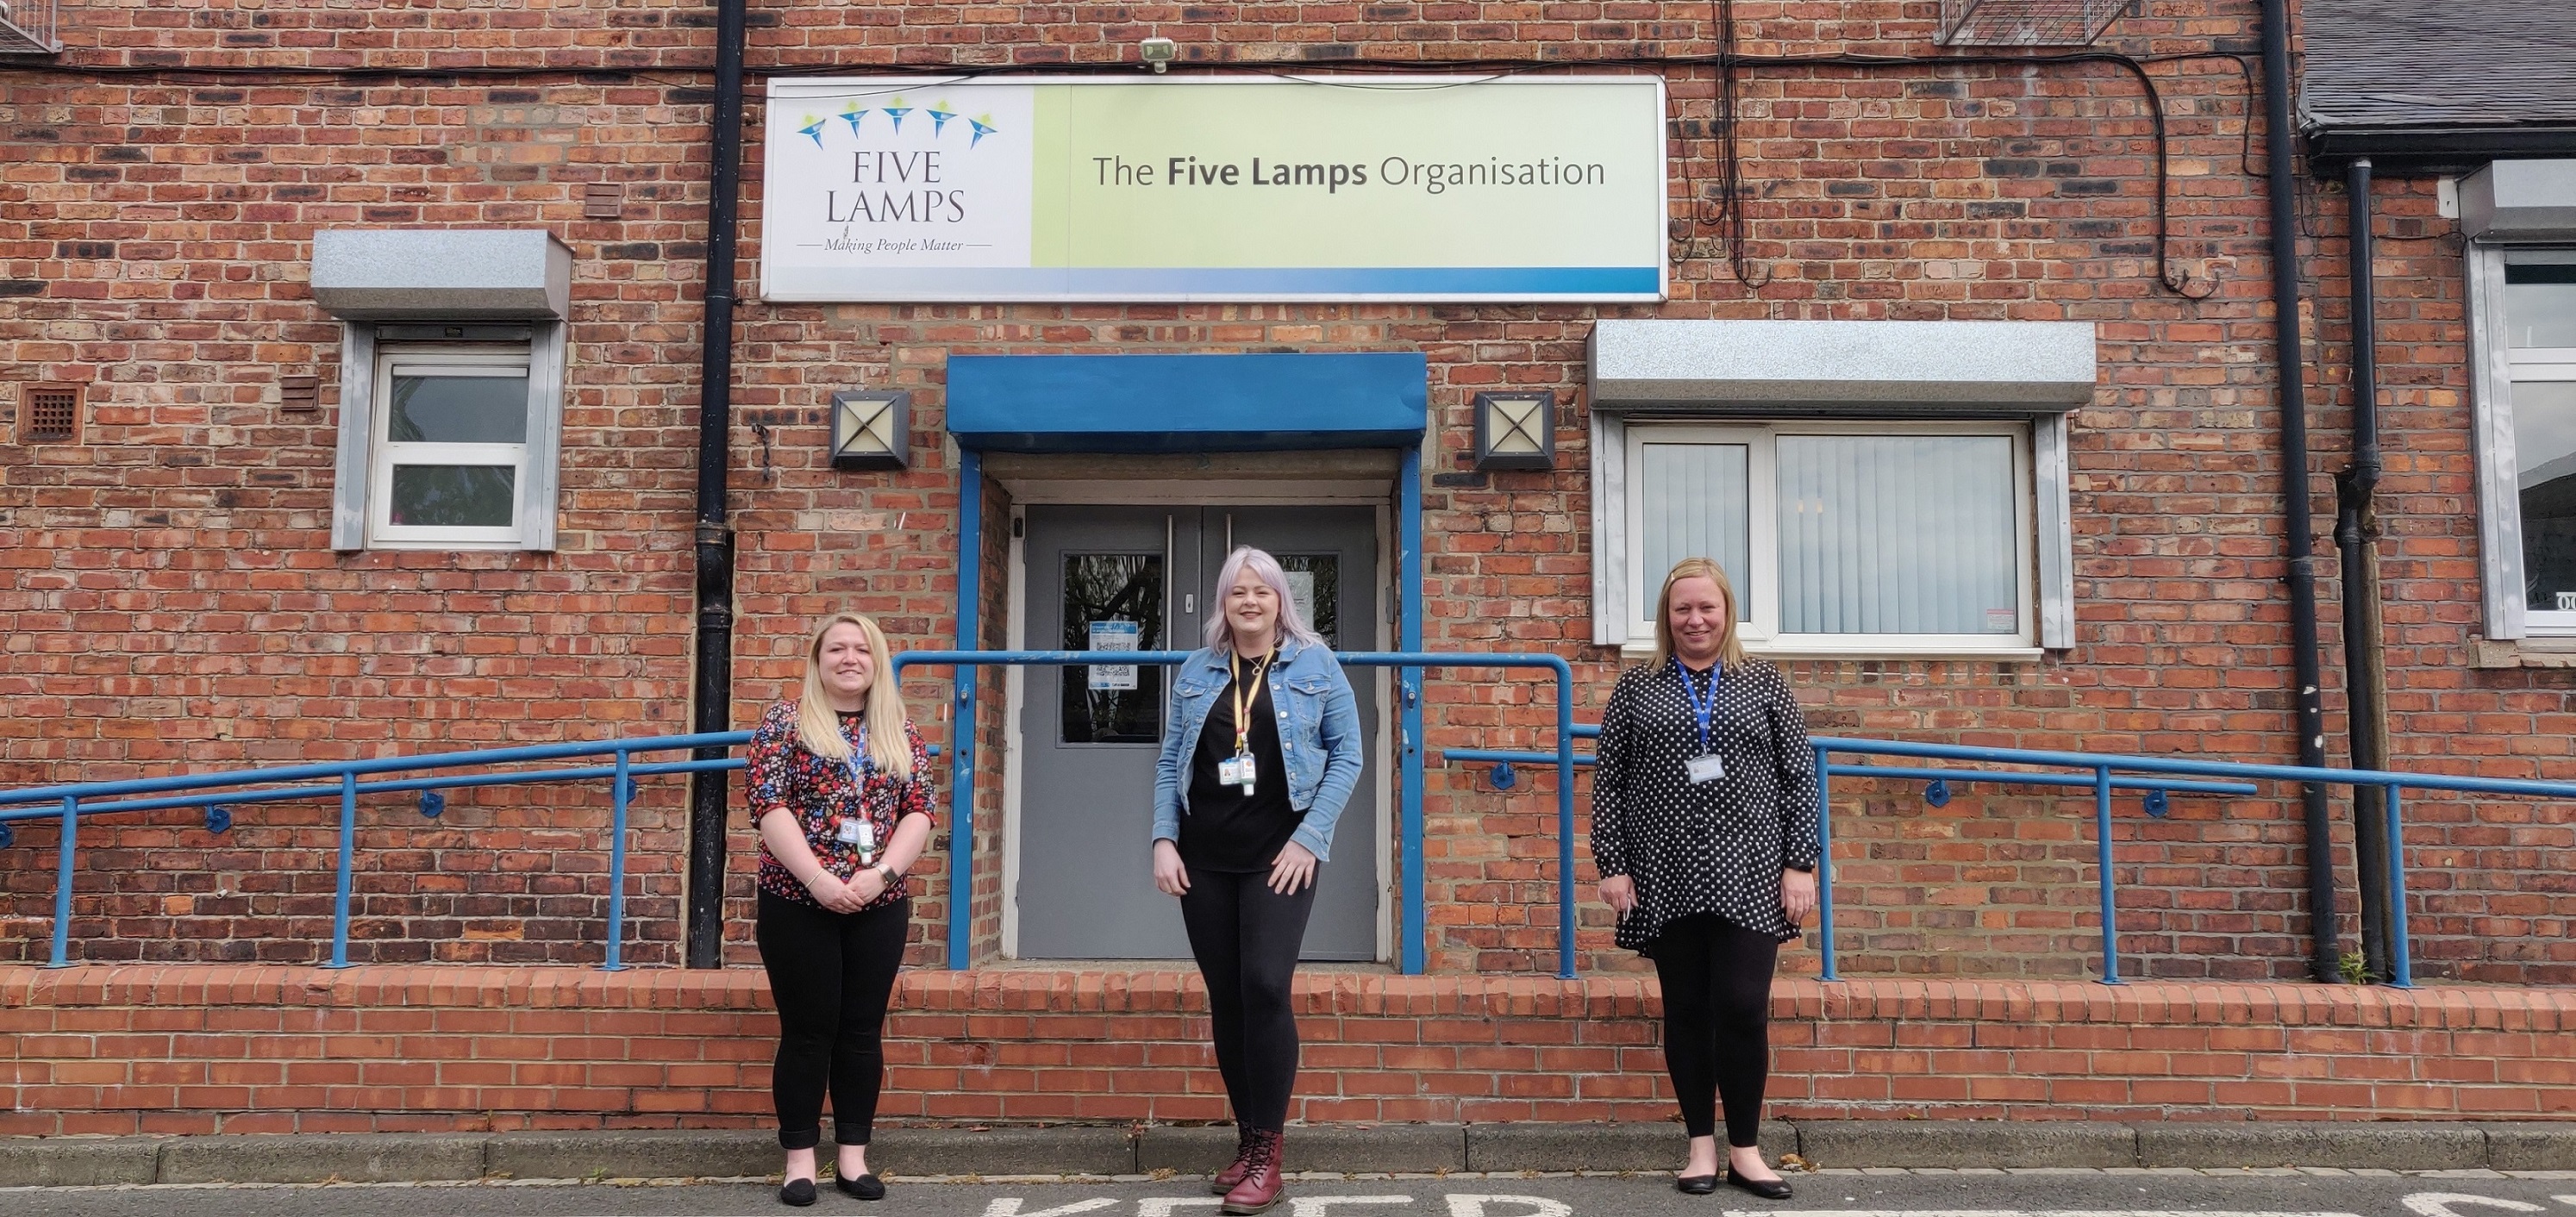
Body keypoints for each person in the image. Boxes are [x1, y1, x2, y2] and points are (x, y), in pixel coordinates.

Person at [1590, 557, 1821, 1201]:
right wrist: (1613, 865)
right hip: (1666, 872)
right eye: (1682, 608)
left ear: (1728, 613)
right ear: (1667, 617)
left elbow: (1800, 779)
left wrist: (1799, 863)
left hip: (1750, 870)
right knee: (1687, 1011)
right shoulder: (1638, 689)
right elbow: (1609, 781)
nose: (1695, 619)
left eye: (1707, 608)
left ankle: (1745, 1150)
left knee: (1743, 1010)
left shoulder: (1764, 684)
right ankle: (1699, 1149)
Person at [1150, 546, 1364, 1216]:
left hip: (1282, 855)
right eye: (1237, 592)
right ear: (1223, 601)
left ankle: (1269, 1154)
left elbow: (1349, 755)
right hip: (1205, 855)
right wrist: (1163, 839)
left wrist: (1310, 837)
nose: (1249, 601)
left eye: (1261, 591)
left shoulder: (1316, 664)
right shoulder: (1197, 670)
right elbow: (1167, 762)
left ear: (1281, 600)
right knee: (1228, 996)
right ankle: (1246, 1143)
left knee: (1266, 986)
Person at [745, 612, 936, 1208]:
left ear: (876, 661)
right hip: (797, 900)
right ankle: (799, 1161)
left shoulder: (898, 728)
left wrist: (880, 876)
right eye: (837, 649)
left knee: (860, 1032)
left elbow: (920, 810)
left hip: (879, 902)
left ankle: (852, 1158)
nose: (849, 658)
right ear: (817, 659)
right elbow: (768, 804)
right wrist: (818, 879)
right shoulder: (784, 723)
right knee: (807, 1032)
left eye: (862, 649)